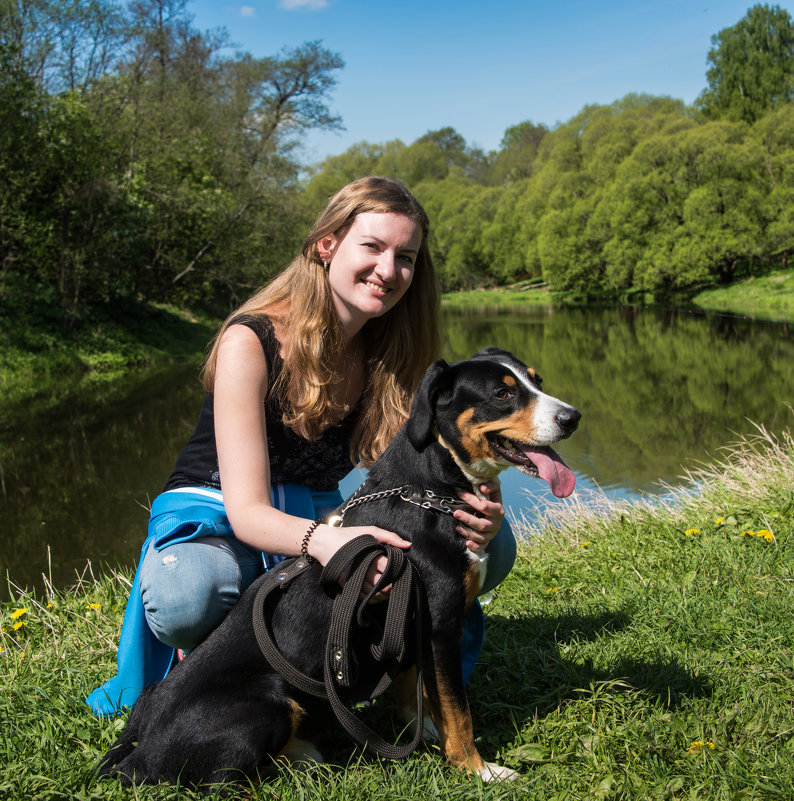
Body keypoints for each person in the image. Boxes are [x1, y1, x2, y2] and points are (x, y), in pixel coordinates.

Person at [87, 176, 516, 716]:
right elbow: (247, 511)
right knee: (189, 595)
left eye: (406, 257)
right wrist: (334, 543)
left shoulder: (389, 350)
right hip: (221, 512)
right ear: (326, 244)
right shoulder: (250, 341)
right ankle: (222, 673)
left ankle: (394, 667)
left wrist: (480, 511)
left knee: (495, 548)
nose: (389, 270)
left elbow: (411, 476)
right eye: (373, 247)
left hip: (317, 509)